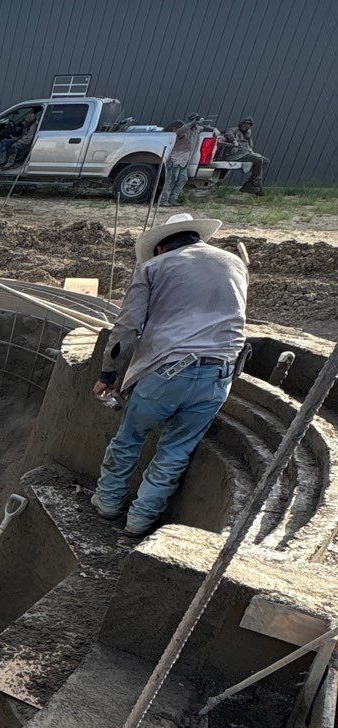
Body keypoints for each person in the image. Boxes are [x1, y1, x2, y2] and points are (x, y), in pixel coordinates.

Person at [90, 211, 247, 536]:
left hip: (167, 370)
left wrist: (108, 374)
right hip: (219, 374)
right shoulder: (234, 263)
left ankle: (107, 503)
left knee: (130, 439)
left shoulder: (153, 267)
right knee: (176, 451)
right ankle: (140, 521)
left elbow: (128, 327)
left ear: (161, 246)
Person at [161, 116, 202, 205]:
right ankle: (163, 200)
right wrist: (191, 123)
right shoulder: (183, 129)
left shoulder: (195, 130)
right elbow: (179, 132)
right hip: (175, 159)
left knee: (183, 179)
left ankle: (173, 199)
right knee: (171, 180)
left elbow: (203, 128)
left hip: (184, 161)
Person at [225, 117, 267, 196]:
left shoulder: (248, 133)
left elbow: (249, 146)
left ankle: (248, 186)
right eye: (245, 123)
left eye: (248, 124)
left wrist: (252, 152)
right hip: (235, 154)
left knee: (265, 161)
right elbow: (228, 134)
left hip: (246, 153)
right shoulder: (234, 130)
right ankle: (257, 185)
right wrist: (234, 141)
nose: (246, 125)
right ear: (241, 123)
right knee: (258, 160)